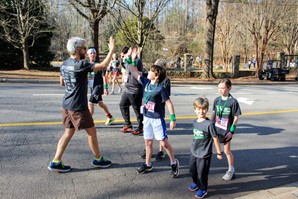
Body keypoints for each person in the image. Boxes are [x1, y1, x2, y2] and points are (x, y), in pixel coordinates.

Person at [47, 36, 115, 173]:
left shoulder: (64, 64)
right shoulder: (81, 65)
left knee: (68, 132)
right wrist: (112, 50)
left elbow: (62, 83)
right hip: (78, 106)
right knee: (92, 132)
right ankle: (98, 159)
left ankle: (55, 161)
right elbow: (102, 66)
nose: (86, 50)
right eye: (84, 48)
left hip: (66, 104)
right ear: (78, 50)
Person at [126, 48, 179, 178]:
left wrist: (172, 119)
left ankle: (173, 162)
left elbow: (168, 103)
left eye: (150, 71)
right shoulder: (146, 83)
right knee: (148, 142)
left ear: (156, 75)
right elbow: (133, 71)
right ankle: (148, 164)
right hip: (147, 118)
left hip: (157, 119)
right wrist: (130, 59)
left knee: (164, 143)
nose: (147, 72)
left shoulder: (160, 88)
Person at [188, 97, 222, 199]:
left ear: (207, 109)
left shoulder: (209, 124)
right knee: (192, 170)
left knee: (202, 173)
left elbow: (215, 138)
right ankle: (196, 183)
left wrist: (219, 153)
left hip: (204, 154)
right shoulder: (195, 122)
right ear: (195, 109)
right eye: (198, 109)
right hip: (194, 152)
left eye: (203, 109)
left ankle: (203, 189)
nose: (201, 111)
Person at [139, 59, 170, 161]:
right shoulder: (148, 81)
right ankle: (148, 154)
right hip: (148, 111)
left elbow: (166, 97)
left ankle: (161, 151)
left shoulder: (165, 81)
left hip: (158, 108)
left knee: (161, 135)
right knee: (148, 136)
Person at [211, 78, 241, 181]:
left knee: (227, 151)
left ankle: (231, 169)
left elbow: (236, 117)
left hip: (226, 130)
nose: (220, 90)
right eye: (219, 88)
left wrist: (231, 131)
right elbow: (214, 114)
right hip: (216, 128)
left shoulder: (233, 102)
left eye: (223, 88)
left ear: (229, 88)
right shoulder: (217, 100)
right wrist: (210, 125)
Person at [86, 48, 115, 126]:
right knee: (100, 103)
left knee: (90, 103)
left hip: (98, 87)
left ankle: (89, 122)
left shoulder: (99, 65)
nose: (92, 54)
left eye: (94, 53)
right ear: (87, 55)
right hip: (92, 87)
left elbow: (104, 76)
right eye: (91, 53)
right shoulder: (87, 65)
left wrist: (105, 88)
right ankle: (110, 117)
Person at [119, 46, 144, 135]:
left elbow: (135, 72)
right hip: (128, 89)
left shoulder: (137, 61)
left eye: (123, 55)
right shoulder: (128, 60)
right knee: (123, 104)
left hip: (135, 89)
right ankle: (128, 124)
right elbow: (124, 67)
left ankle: (140, 127)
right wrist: (125, 58)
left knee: (137, 110)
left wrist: (129, 59)